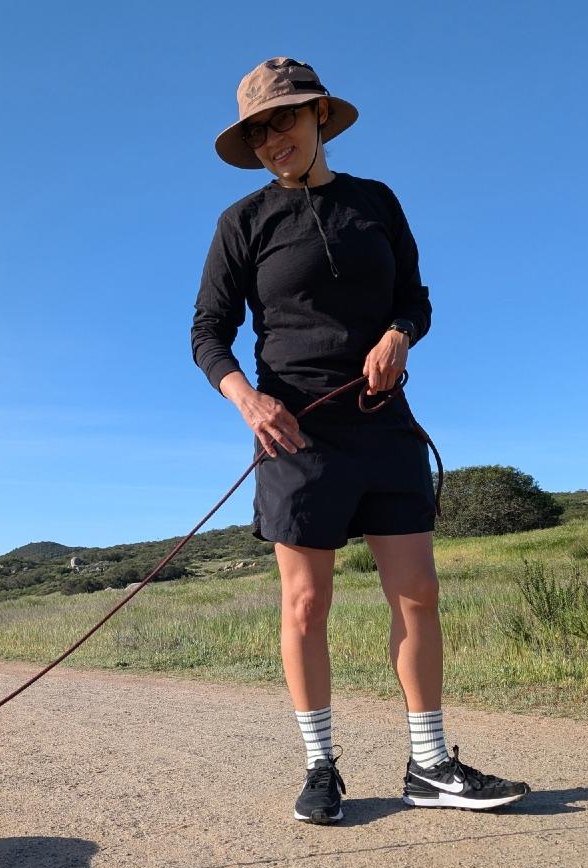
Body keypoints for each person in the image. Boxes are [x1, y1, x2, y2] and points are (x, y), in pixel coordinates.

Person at [191, 57, 529, 823]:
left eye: (285, 120)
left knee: (418, 593)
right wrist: (247, 401)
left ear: (318, 118)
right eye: (259, 130)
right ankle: (320, 766)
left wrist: (399, 334)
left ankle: (431, 763)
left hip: (383, 425)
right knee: (306, 604)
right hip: (294, 434)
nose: (273, 138)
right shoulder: (242, 223)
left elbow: (416, 297)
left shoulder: (375, 202)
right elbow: (209, 334)